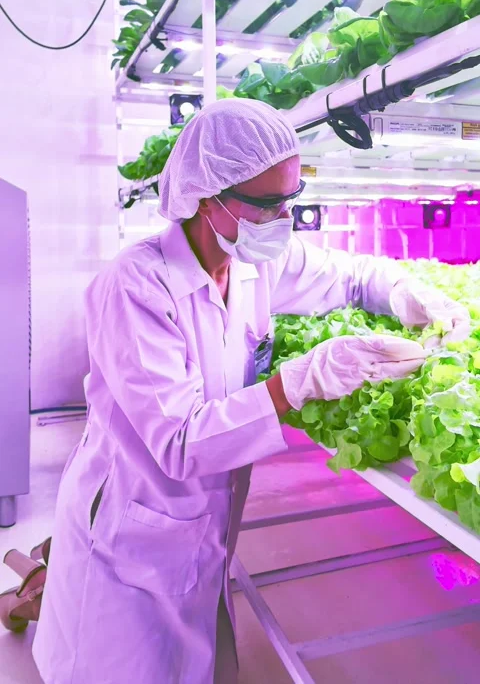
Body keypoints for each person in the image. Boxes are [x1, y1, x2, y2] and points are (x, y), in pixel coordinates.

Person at [6, 100, 469, 683]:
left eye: (291, 199)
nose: (283, 218)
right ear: (208, 197)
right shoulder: (136, 287)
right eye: (268, 204)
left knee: (193, 658)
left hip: (202, 526)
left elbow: (352, 276)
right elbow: (178, 443)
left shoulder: (254, 262)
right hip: (131, 531)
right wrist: (297, 383)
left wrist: (408, 293)